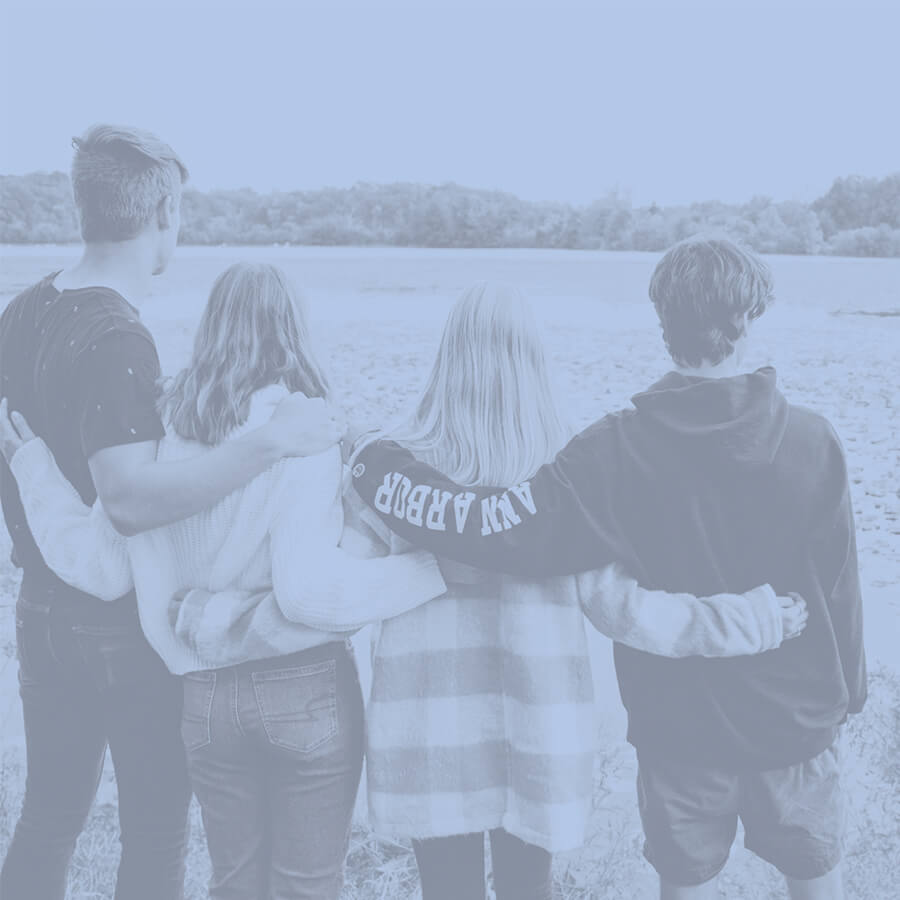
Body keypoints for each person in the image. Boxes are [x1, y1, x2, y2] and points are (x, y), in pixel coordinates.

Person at [3, 279, 808, 900]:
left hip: (429, 741)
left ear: (446, 355)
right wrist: (751, 619)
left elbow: (321, 591)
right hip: (541, 738)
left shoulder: (389, 466)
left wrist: (207, 617)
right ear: (536, 361)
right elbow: (627, 612)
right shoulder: (575, 479)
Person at [348, 244, 866, 900]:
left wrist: (375, 468)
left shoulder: (613, 448)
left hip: (665, 729)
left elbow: (504, 531)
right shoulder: (811, 440)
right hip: (779, 723)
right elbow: (839, 587)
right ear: (751, 318)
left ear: (662, 323)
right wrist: (846, 695)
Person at [1, 261, 451, 900]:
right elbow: (306, 592)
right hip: (303, 690)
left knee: (232, 885)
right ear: (295, 331)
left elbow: (100, 568)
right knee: (307, 886)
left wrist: (34, 469)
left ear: (211, 328)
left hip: (204, 699)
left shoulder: (162, 431)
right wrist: (432, 570)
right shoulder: (304, 431)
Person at [0, 126, 341, 900]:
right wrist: (268, 444)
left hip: (39, 607)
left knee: (48, 815)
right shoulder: (121, 338)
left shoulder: (20, 312)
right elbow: (128, 502)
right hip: (113, 625)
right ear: (163, 214)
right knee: (155, 831)